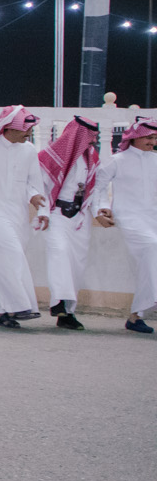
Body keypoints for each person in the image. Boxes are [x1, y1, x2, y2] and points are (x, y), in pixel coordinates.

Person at [0, 105, 47, 329]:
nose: (29, 134)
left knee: (4, 260)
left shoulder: (29, 150)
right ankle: (21, 305)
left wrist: (36, 199)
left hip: (17, 213)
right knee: (12, 254)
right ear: (10, 128)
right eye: (26, 129)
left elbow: (33, 182)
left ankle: (4, 312)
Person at [95, 113, 157, 334]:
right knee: (152, 247)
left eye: (155, 138)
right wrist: (102, 208)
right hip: (129, 218)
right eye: (148, 137)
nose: (152, 142)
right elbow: (99, 186)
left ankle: (136, 316)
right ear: (134, 137)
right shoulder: (118, 160)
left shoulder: (155, 160)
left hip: (153, 217)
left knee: (150, 262)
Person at [36, 116, 101, 329]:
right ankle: (59, 302)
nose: (93, 139)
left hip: (80, 217)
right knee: (60, 253)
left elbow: (94, 189)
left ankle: (68, 313)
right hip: (57, 213)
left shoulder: (92, 156)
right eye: (90, 135)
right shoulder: (51, 155)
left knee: (76, 263)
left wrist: (99, 211)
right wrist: (43, 212)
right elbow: (40, 187)